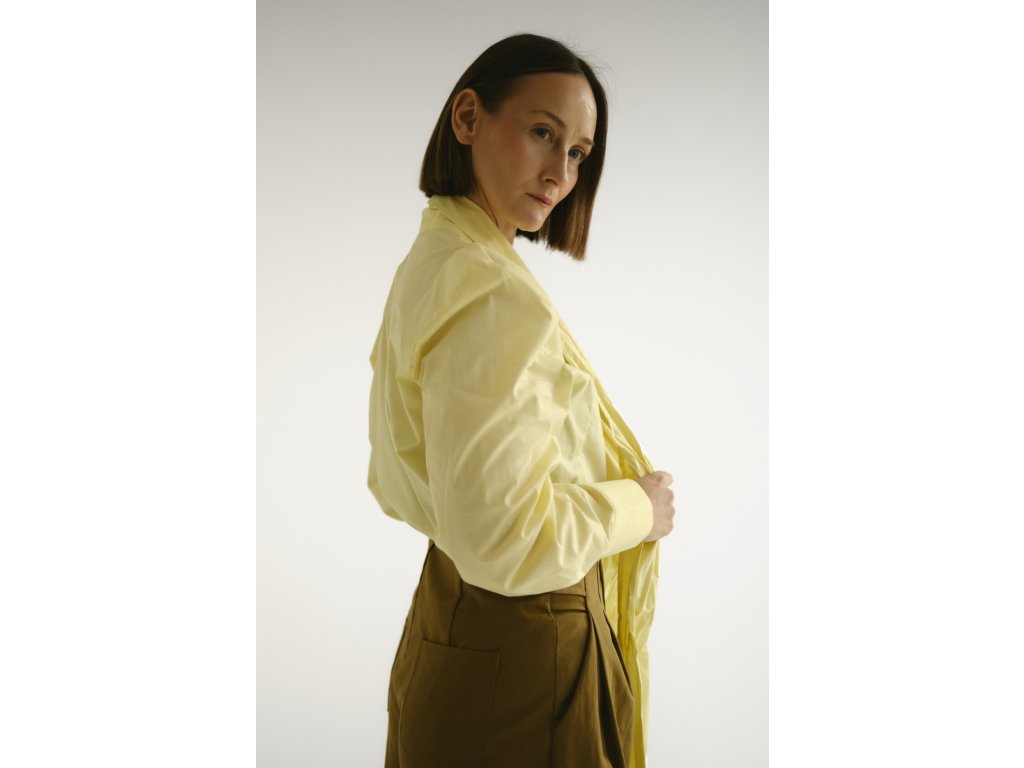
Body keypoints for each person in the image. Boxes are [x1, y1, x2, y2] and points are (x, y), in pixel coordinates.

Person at [366, 32, 676, 768]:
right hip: (530, 651)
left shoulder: (438, 258)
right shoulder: (488, 290)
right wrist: (638, 508)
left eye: (579, 153)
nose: (561, 172)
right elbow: (507, 539)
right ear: (468, 118)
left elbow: (397, 480)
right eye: (543, 132)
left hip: (456, 623)